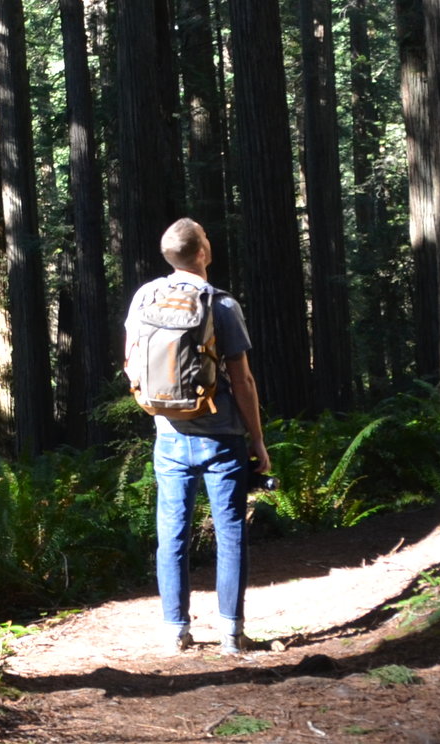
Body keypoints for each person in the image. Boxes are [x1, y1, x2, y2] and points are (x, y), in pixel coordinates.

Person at [126, 217, 270, 654]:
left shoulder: (144, 297)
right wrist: (257, 440)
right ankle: (231, 632)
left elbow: (131, 363)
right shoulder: (220, 304)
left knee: (171, 534)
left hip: (167, 435)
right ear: (202, 253)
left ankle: (175, 631)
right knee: (230, 534)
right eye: (206, 239)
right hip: (221, 435)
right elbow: (242, 380)